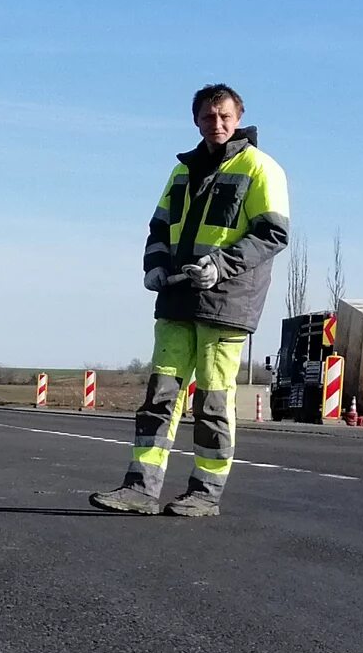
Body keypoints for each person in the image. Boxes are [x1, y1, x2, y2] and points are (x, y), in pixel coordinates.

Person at [92, 84, 289, 518]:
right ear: (196, 120)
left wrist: (221, 265)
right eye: (207, 117)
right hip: (177, 297)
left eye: (224, 116)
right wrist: (155, 265)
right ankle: (140, 489)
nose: (216, 124)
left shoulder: (260, 168)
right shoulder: (181, 173)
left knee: (213, 401)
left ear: (238, 118)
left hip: (226, 301)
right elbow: (159, 227)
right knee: (160, 395)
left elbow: (273, 234)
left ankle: (205, 493)